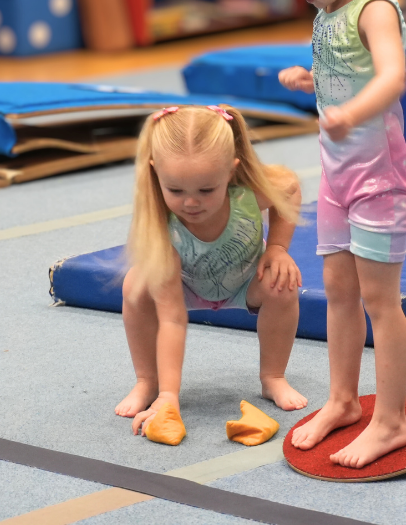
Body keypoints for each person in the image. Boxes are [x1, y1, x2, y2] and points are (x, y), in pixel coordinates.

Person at [259, 0, 406, 469]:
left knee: (381, 300)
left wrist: (350, 109)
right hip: (338, 177)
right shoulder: (330, 4)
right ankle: (344, 400)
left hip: (380, 180)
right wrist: (314, 82)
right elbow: (342, 72)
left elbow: (392, 78)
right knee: (339, 293)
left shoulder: (374, 8)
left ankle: (392, 420)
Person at [116, 104, 307, 443]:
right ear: (155, 172)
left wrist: (278, 247)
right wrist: (168, 397)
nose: (191, 203)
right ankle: (147, 380)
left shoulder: (248, 194)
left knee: (283, 284)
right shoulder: (162, 227)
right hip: (186, 286)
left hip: (246, 282)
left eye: (206, 190)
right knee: (136, 285)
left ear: (231, 173)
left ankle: (272, 376)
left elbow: (289, 188)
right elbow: (172, 320)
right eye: (176, 190)